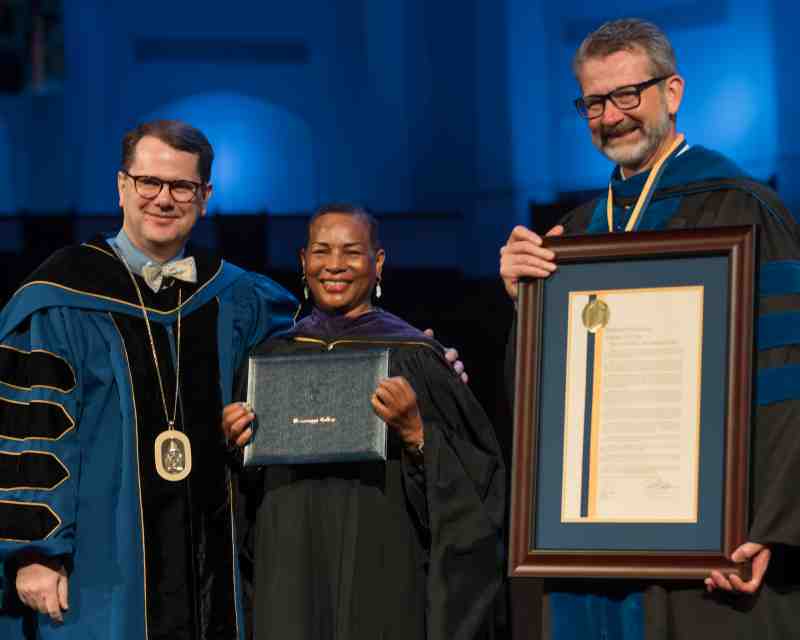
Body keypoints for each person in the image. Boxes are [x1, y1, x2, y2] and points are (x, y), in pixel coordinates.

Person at [499, 18, 800, 640]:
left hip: (717, 547)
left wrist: (770, 528)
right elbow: (537, 408)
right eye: (593, 102)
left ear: (673, 92)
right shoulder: (573, 237)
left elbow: (786, 377)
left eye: (627, 95)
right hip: (591, 549)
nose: (610, 117)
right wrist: (525, 305)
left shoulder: (743, 209)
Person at [0, 120, 298, 639]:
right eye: (149, 183)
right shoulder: (59, 298)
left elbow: (311, 365)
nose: (164, 199)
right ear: (122, 188)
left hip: (211, 562)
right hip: (100, 568)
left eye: (182, 186)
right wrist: (35, 554)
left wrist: (422, 357)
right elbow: (33, 432)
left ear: (204, 197)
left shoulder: (238, 298)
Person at [223, 204, 506, 640]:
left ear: (377, 263)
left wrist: (416, 432)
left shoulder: (415, 357)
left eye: (351, 252)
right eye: (321, 251)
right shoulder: (269, 359)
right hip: (289, 564)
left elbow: (479, 486)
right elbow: (241, 496)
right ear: (303, 261)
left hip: (384, 563)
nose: (334, 265)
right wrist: (234, 441)